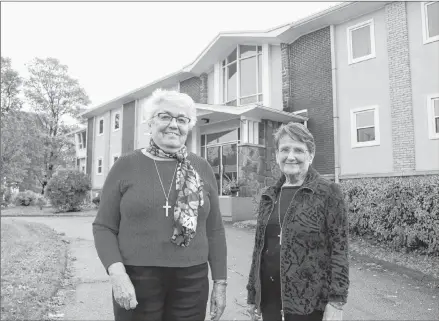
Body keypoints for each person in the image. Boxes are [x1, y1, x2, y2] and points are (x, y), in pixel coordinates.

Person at [93, 89, 227, 321]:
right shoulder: (126, 166)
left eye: (182, 119)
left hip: (192, 280)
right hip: (136, 278)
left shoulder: (202, 167)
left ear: (189, 126)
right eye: (165, 116)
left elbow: (215, 230)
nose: (173, 125)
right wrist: (117, 274)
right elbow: (104, 227)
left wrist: (220, 282)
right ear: (151, 122)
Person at [246, 122, 349, 321]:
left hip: (309, 304)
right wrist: (253, 295)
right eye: (284, 149)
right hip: (270, 300)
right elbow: (259, 250)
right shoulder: (269, 195)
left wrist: (336, 302)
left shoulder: (328, 193)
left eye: (299, 150)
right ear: (277, 155)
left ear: (310, 155)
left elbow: (339, 249)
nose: (291, 156)